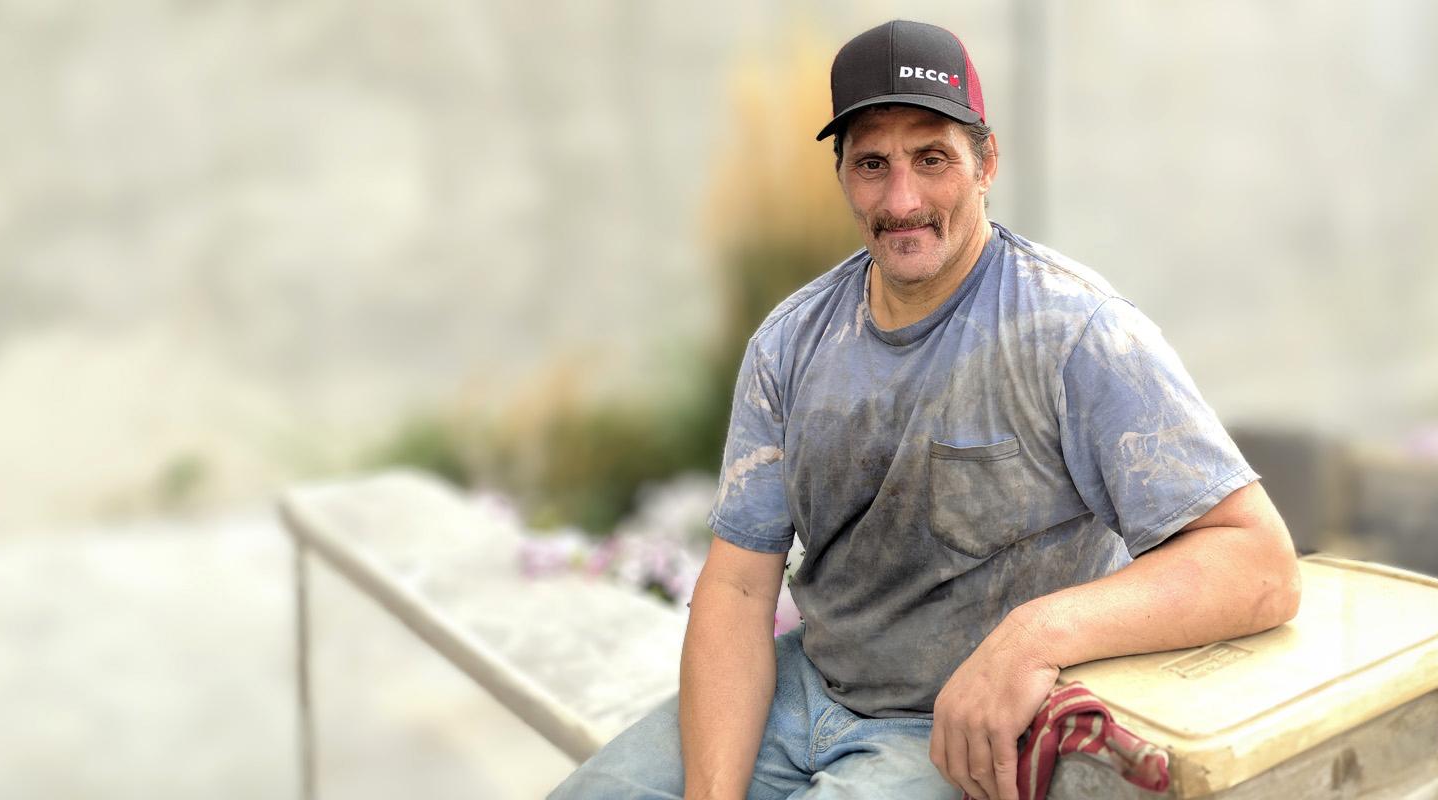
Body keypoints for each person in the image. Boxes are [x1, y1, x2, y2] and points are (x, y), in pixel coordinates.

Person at [553, 19, 1301, 800]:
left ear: (986, 162)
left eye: (932, 157)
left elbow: (1259, 563)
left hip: (954, 729)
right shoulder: (791, 343)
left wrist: (1031, 636)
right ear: (842, 173)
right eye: (873, 163)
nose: (902, 199)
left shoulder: (1075, 333)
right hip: (802, 686)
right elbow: (740, 588)